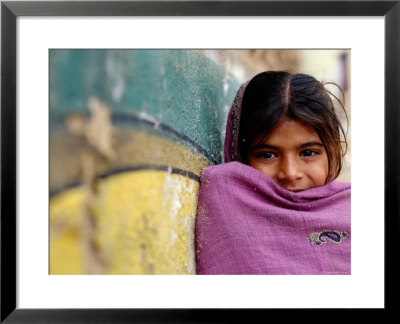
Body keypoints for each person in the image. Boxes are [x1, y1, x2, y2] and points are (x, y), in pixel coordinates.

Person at [195, 71, 351, 275]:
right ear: (240, 154)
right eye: (268, 155)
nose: (290, 173)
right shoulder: (226, 199)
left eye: (308, 153)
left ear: (331, 150)